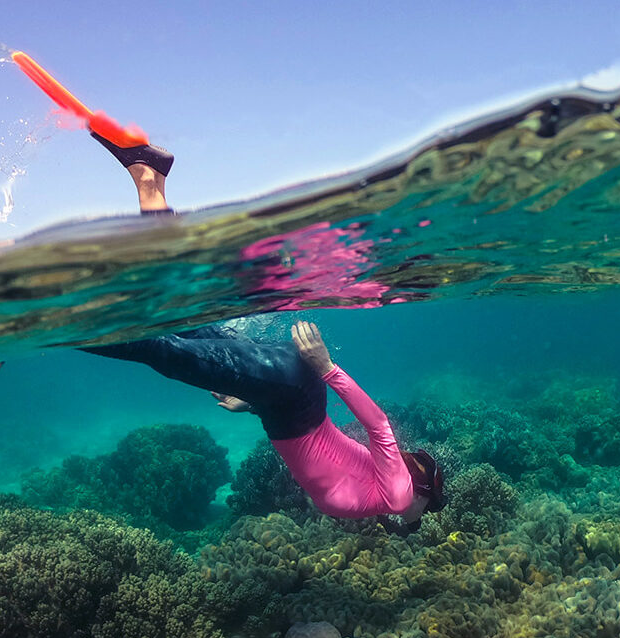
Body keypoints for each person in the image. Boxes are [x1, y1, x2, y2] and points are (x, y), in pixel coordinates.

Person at [79, 132, 447, 531]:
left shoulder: (376, 488)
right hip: (293, 389)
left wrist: (253, 402)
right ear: (423, 494)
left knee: (181, 320)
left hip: (283, 397)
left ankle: (150, 182)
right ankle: (63, 325)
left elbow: (318, 447)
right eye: (421, 516)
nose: (410, 520)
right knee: (164, 350)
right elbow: (378, 426)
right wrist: (327, 367)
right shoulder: (398, 494)